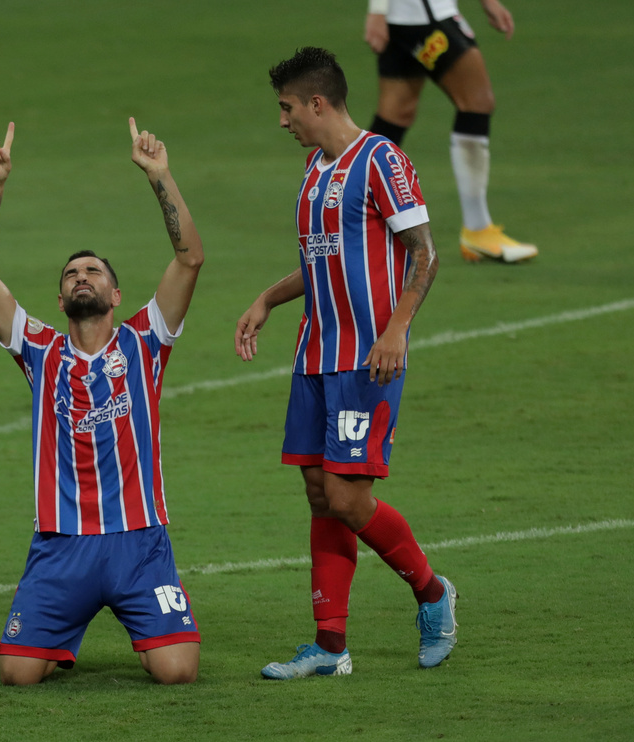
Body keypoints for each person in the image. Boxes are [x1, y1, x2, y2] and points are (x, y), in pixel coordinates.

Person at [235, 47, 457, 679]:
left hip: (368, 359)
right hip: (315, 354)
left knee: (346, 496)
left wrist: (396, 330)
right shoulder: (313, 168)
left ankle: (432, 593)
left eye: (287, 108)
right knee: (319, 494)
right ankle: (330, 648)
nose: (282, 120)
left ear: (317, 102)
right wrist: (268, 298)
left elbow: (425, 254)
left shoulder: (382, 160)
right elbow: (321, 260)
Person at [0, 118, 204, 685]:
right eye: (72, 273)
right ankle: (60, 635)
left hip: (139, 542)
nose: (81, 276)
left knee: (176, 672)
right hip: (61, 546)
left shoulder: (147, 340)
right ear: (60, 298)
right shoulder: (39, 350)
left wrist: (160, 176)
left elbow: (189, 259)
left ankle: (148, 628)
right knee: (17, 675)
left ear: (115, 294)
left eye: (93, 271)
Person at [364, 0, 537, 263]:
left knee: (396, 114)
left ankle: (346, 217)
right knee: (477, 103)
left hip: (408, 17)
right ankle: (477, 229)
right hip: (424, 14)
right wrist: (377, 11)